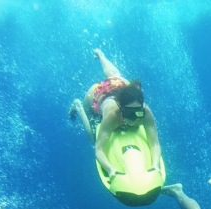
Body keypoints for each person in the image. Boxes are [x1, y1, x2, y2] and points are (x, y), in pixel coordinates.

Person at [69, 48, 162, 181]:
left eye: (137, 113)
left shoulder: (145, 112)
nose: (134, 119)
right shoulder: (112, 114)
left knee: (115, 75)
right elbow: (99, 149)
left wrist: (155, 165)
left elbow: (155, 144)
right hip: (97, 95)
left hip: (120, 84)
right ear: (120, 109)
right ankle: (77, 106)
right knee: (92, 136)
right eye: (129, 114)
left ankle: (101, 55)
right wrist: (111, 170)